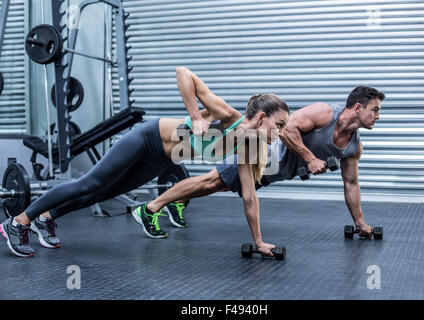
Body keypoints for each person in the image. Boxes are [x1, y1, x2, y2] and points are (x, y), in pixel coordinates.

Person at [0, 67, 290, 258]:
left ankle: (46, 218)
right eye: (279, 124)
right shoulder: (227, 114)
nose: (280, 133)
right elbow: (183, 73)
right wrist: (196, 116)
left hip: (160, 158)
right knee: (88, 184)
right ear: (262, 118)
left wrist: (259, 241)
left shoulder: (249, 146)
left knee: (102, 193)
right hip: (145, 138)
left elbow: (250, 197)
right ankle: (17, 222)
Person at [140, 86, 385, 238]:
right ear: (356, 107)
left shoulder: (354, 146)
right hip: (265, 152)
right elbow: (287, 129)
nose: (377, 116)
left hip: (275, 172)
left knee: (219, 184)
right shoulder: (324, 113)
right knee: (212, 180)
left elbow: (351, 184)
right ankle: (151, 208)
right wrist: (309, 158)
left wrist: (360, 223)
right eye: (374, 110)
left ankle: (176, 202)